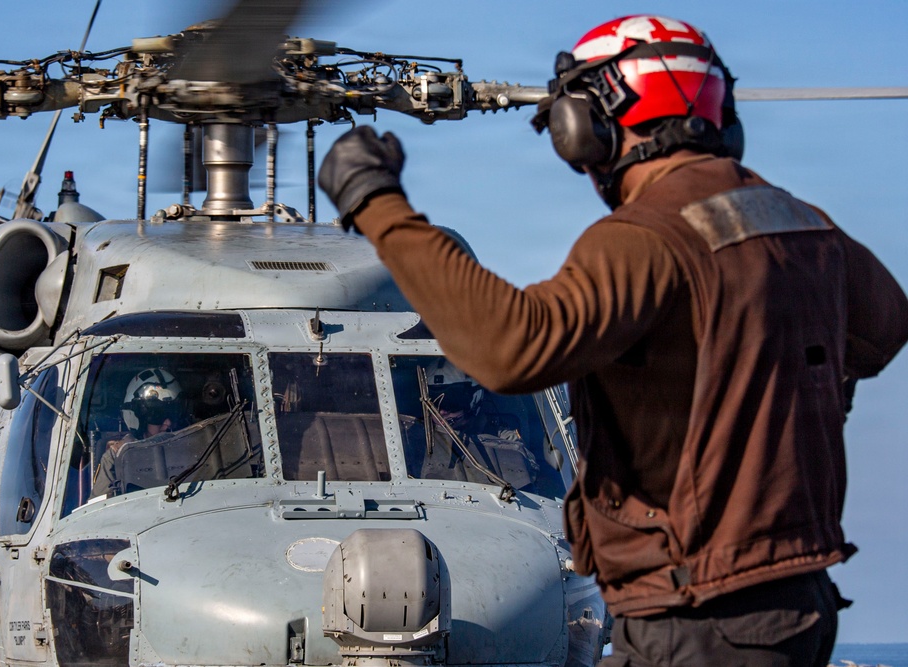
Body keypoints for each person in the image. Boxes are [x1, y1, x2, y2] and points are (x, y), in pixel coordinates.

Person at [318, 15, 908, 666]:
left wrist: (376, 202)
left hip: (698, 618)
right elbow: (883, 329)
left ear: (591, 125)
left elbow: (511, 347)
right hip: (795, 602)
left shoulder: (646, 239)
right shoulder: (807, 228)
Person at [417, 358, 536, 490]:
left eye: (451, 402)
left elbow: (528, 474)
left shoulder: (505, 439)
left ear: (475, 398)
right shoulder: (416, 436)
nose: (441, 412)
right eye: (432, 402)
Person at [91, 367, 185, 498]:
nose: (168, 423)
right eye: (157, 415)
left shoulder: (193, 446)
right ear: (136, 418)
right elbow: (100, 508)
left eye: (172, 413)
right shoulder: (116, 456)